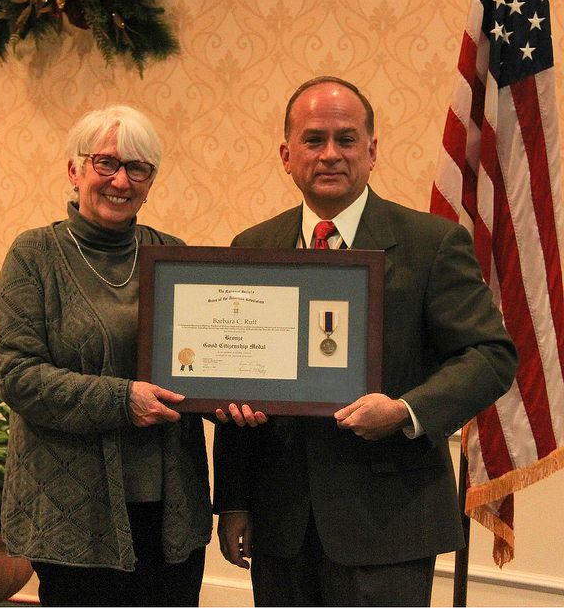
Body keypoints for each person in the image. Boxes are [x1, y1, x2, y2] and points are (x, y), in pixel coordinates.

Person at [213, 76, 518, 606]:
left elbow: (491, 356)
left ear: (372, 152)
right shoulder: (254, 245)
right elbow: (244, 373)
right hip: (281, 524)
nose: (330, 154)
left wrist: (405, 409)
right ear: (287, 156)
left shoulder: (432, 242)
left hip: (389, 523)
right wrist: (235, 501)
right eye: (313, 140)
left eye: (346, 139)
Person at [0, 105, 264, 607]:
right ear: (74, 170)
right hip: (73, 511)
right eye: (106, 163)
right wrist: (123, 400)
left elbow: (210, 364)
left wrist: (235, 394)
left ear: (150, 180)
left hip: (171, 514)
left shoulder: (176, 256)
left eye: (138, 168)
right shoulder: (34, 256)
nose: (121, 180)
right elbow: (17, 373)